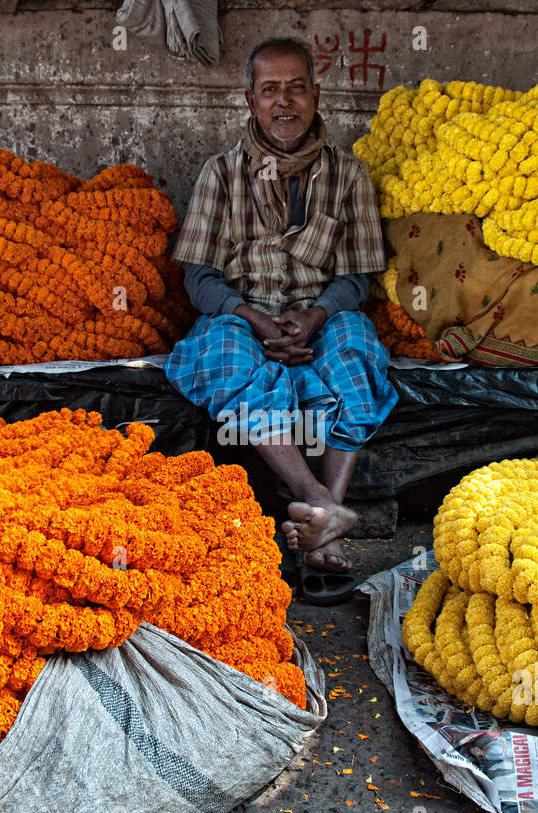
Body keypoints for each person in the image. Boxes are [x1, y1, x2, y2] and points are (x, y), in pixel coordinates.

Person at [165, 36, 397, 601]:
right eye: (271, 90)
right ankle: (324, 510)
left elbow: (357, 278)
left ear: (317, 95)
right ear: (251, 100)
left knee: (358, 351)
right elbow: (198, 278)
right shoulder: (219, 174)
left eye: (297, 88)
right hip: (245, 317)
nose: (285, 101)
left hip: (320, 314)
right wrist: (253, 318)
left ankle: (318, 537)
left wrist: (315, 317)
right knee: (223, 354)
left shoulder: (349, 176)